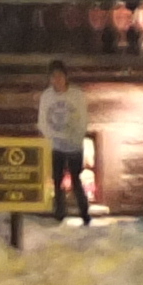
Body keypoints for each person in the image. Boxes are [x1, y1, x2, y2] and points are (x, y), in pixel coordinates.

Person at [36, 62, 94, 222]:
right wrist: (49, 137)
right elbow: (42, 120)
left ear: (66, 77)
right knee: (57, 181)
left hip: (74, 145)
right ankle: (59, 215)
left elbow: (82, 118)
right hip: (56, 145)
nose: (57, 80)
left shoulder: (76, 95)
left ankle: (85, 214)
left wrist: (76, 136)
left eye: (60, 76)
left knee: (76, 180)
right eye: (53, 77)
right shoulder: (47, 96)